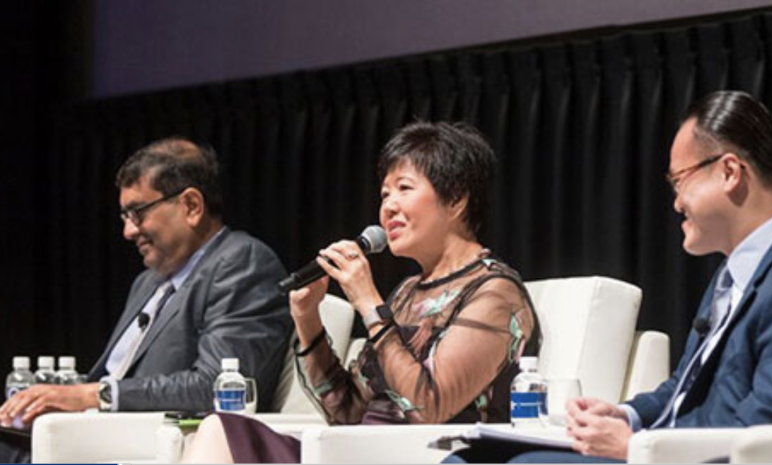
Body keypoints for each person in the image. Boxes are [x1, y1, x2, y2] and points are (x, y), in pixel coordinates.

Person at [181, 121, 541, 463]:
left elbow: (429, 409)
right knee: (220, 430)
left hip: (426, 458)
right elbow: (348, 412)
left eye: (404, 188)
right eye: (385, 194)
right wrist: (307, 320)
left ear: (456, 199)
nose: (388, 206)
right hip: (362, 453)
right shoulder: (406, 293)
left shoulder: (494, 293)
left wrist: (369, 302)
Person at [451, 90, 772, 464]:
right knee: (470, 458)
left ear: (729, 172)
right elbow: (681, 388)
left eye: (678, 180)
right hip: (658, 451)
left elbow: (759, 431)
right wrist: (624, 415)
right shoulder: (730, 277)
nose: (676, 202)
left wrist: (634, 446)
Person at [0, 138, 293, 462]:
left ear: (191, 205)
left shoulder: (242, 262)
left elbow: (216, 386)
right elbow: (116, 379)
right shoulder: (148, 282)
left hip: (144, 445)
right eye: (124, 216)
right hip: (88, 434)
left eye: (137, 213)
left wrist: (91, 395)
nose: (128, 231)